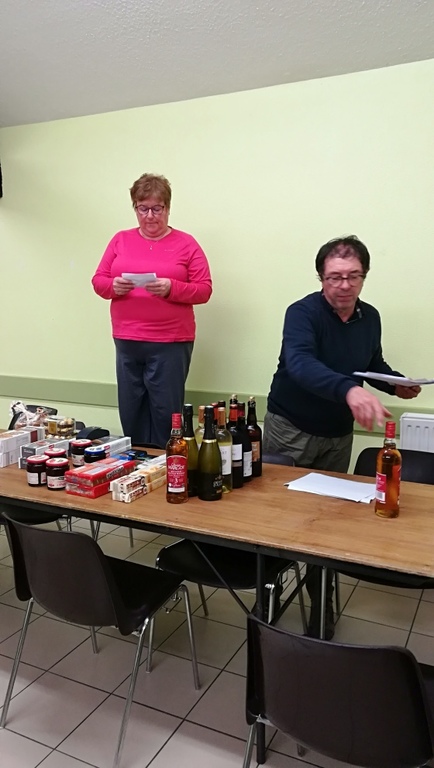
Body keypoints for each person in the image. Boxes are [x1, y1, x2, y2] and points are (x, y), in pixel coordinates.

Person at [263, 235, 421, 638]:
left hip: (337, 433)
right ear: (321, 277)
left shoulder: (370, 317)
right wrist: (349, 391)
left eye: (353, 276)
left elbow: (370, 362)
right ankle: (268, 602)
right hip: (291, 428)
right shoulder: (302, 313)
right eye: (335, 277)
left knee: (327, 524)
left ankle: (321, 605)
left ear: (364, 276)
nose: (344, 285)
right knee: (278, 520)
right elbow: (300, 364)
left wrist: (395, 383)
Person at [92, 173, 212, 447]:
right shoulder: (120, 239)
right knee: (131, 409)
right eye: (142, 208)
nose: (149, 216)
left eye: (156, 209)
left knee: (166, 413)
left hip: (170, 341)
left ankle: (168, 465)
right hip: (127, 339)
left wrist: (172, 288)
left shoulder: (186, 243)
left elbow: (204, 289)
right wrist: (113, 286)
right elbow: (98, 281)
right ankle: (135, 465)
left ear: (168, 208)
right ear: (135, 208)